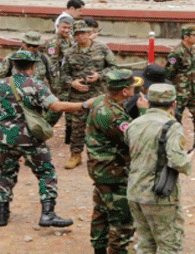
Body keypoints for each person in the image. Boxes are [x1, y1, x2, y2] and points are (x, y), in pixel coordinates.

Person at [0, 51, 93, 228]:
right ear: (32, 67)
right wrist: (85, 104)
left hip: (6, 137)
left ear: (13, 65)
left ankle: (2, 214)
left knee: (6, 172)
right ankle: (47, 214)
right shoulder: (36, 84)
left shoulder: (2, 83)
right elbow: (56, 106)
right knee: (46, 172)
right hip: (30, 137)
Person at [125, 83, 193, 254]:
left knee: (145, 243)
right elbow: (178, 161)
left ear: (148, 102)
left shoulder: (134, 123)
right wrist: (189, 159)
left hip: (135, 192)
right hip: (159, 195)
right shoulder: (172, 126)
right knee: (169, 244)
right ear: (174, 104)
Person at [85, 68, 145, 254]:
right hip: (114, 171)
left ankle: (99, 248)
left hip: (101, 168)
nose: (135, 90)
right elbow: (134, 139)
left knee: (101, 211)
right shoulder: (113, 114)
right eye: (131, 87)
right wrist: (143, 112)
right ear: (124, 91)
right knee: (122, 219)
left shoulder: (101, 101)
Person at [61, 18, 118, 169]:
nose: (81, 37)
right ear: (74, 36)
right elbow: (63, 75)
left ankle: (105, 156)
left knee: (103, 124)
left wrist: (100, 75)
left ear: (89, 33)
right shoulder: (69, 53)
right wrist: (72, 83)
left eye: (83, 33)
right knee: (77, 127)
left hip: (99, 94)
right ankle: (76, 154)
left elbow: (114, 67)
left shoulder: (102, 49)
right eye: (77, 34)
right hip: (78, 96)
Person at [0, 31, 53, 126]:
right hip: (15, 100)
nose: (31, 48)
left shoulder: (44, 59)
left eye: (34, 46)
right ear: (23, 42)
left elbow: (54, 81)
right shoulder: (11, 58)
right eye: (28, 45)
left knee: (36, 128)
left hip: (36, 101)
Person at [43, 15, 76, 134]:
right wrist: (56, 86)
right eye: (64, 27)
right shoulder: (54, 43)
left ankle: (70, 133)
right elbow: (52, 65)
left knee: (70, 106)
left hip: (69, 79)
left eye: (69, 28)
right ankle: (42, 130)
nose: (67, 30)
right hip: (59, 81)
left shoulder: (71, 40)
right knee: (57, 109)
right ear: (58, 27)